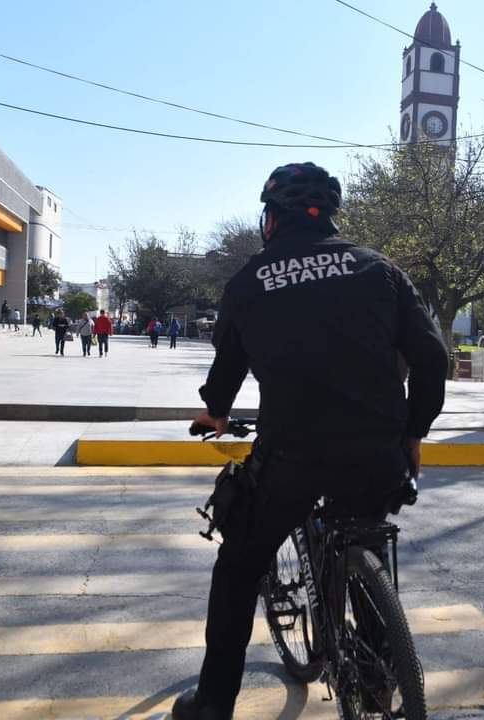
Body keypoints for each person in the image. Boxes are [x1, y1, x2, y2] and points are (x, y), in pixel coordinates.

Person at [174, 163, 448, 720]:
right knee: (367, 544)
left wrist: (217, 413)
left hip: (292, 459)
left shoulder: (250, 280)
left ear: (270, 220)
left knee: (237, 567)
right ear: (331, 215)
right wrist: (414, 431)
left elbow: (228, 365)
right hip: (377, 455)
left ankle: (213, 704)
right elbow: (432, 358)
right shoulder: (379, 270)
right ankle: (376, 684)